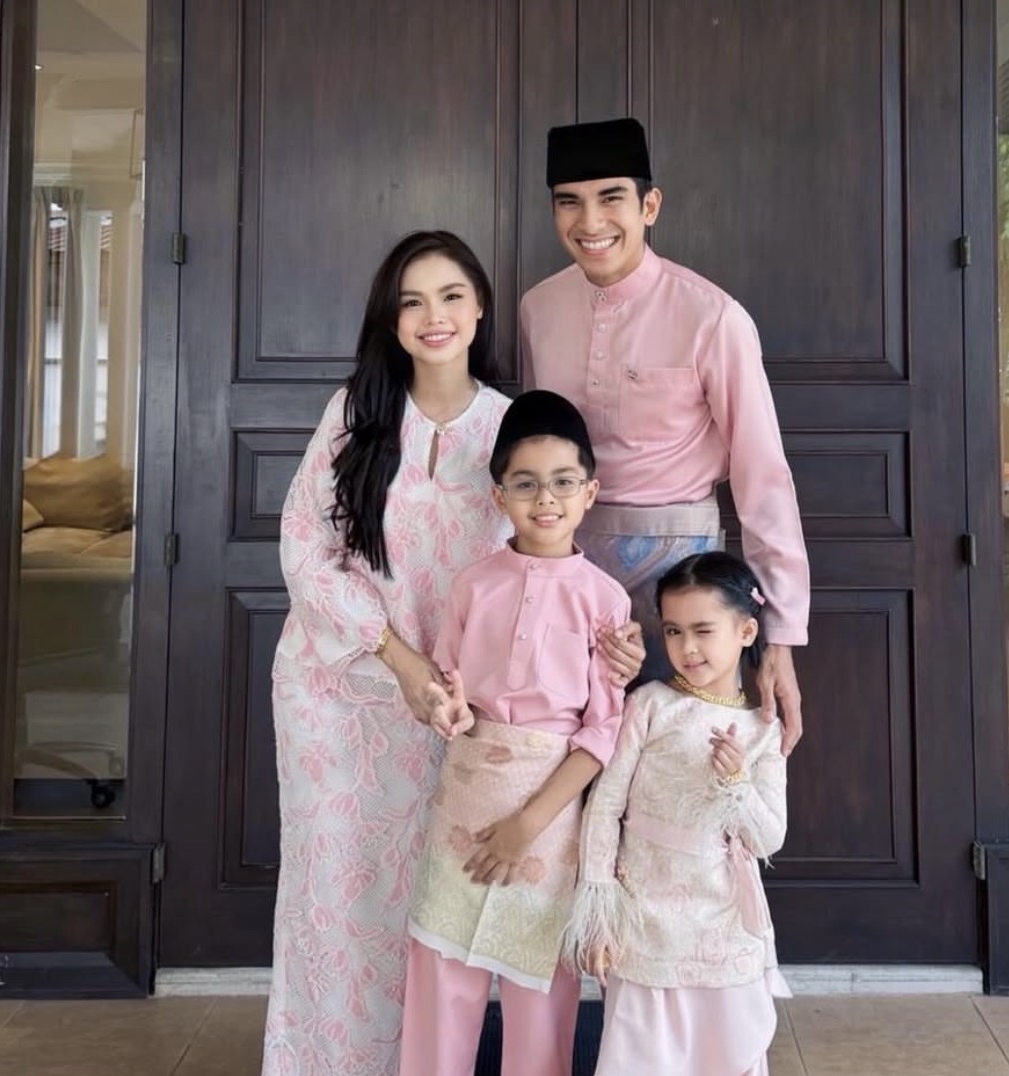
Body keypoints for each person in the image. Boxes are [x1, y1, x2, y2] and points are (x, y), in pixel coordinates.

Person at [262, 235, 640, 1076]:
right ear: (390, 319)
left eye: (451, 296)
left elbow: (550, 567)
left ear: (479, 308)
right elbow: (304, 549)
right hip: (342, 695)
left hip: (467, 717)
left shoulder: (513, 427)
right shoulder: (354, 415)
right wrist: (399, 660)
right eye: (412, 301)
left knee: (433, 912)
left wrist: (611, 646)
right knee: (338, 897)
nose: (433, 317)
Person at [519, 117, 811, 754]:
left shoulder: (713, 317)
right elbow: (534, 450)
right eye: (569, 202)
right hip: (567, 560)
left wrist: (781, 634)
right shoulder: (537, 309)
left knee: (678, 758)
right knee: (564, 753)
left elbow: (763, 476)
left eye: (611, 198)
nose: (590, 222)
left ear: (649, 205)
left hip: (681, 575)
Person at [399, 390, 632, 1076]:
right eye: (525, 484)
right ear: (499, 496)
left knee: (540, 984)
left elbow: (602, 732)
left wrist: (527, 825)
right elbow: (448, 689)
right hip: (466, 799)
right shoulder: (472, 585)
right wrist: (450, 711)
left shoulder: (605, 600)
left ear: (589, 492)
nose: (545, 499)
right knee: (441, 969)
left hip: (549, 816)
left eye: (563, 482)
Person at [564, 551, 790, 1076]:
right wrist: (599, 910)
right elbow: (604, 808)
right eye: (673, 631)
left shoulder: (763, 731)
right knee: (644, 1055)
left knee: (723, 1054)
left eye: (703, 631)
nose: (687, 648)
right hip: (645, 919)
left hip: (723, 925)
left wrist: (736, 784)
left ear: (746, 630)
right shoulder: (650, 705)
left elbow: (768, 838)